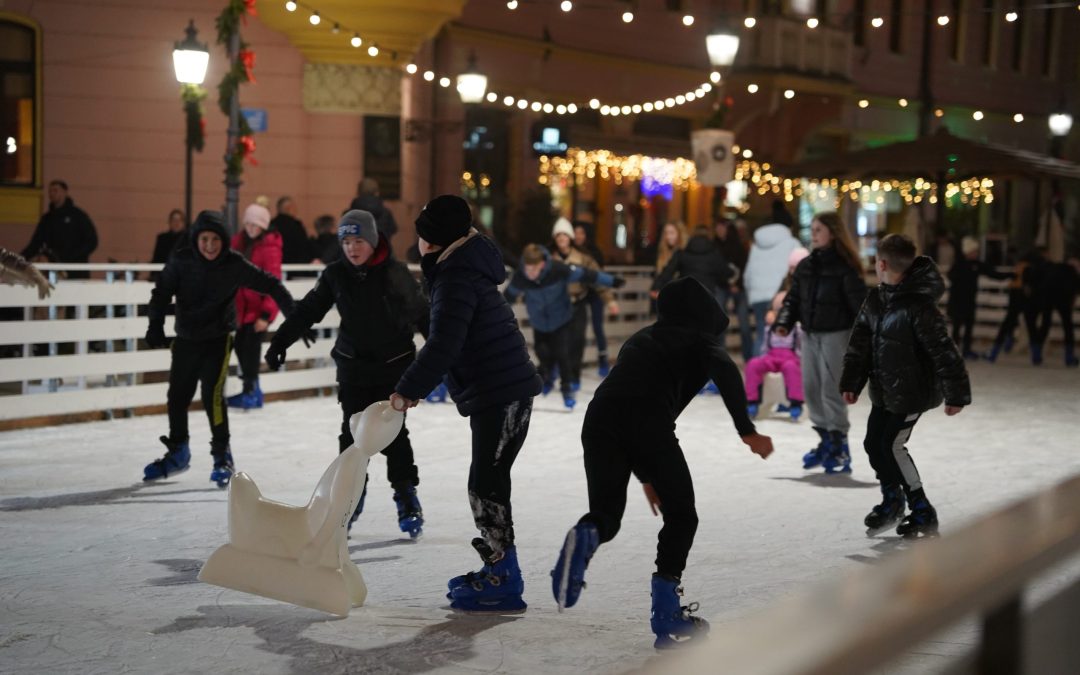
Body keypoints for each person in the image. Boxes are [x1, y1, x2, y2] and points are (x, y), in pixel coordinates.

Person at [549, 276, 773, 649]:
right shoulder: (701, 342)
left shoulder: (640, 338)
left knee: (606, 515)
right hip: (649, 423)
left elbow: (625, 400)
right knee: (682, 515)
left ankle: (586, 534)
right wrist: (746, 430)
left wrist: (646, 475)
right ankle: (667, 612)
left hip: (598, 420)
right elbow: (728, 373)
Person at [390, 194, 543, 613]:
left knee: (486, 484)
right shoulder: (460, 267)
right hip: (502, 391)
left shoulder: (456, 277)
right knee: (488, 482)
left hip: (503, 393)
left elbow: (444, 343)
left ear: (431, 240)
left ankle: (503, 577)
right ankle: (501, 569)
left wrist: (408, 389)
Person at [266, 210, 431, 536]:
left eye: (358, 241)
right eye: (346, 241)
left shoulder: (394, 274)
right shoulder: (335, 275)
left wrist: (441, 364)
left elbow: (422, 317)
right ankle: (349, 499)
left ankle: (406, 496)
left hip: (393, 369)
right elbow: (308, 309)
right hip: (354, 367)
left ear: (372, 241)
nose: (352, 248)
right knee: (352, 437)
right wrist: (280, 340)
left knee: (394, 437)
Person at [142, 210, 299, 488]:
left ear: (224, 241)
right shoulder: (182, 260)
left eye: (216, 239)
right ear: (196, 239)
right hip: (187, 339)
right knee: (177, 396)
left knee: (213, 396)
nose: (210, 245)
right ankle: (178, 450)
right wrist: (155, 325)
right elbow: (162, 292)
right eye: (205, 239)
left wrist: (294, 317)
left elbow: (271, 284)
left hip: (218, 339)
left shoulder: (233, 264)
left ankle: (221, 456)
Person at [841, 234, 971, 538]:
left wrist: (957, 393)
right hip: (885, 390)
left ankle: (922, 508)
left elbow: (943, 350)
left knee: (892, 446)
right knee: (874, 444)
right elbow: (860, 343)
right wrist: (852, 381)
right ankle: (892, 500)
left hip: (912, 393)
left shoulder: (920, 306)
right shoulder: (876, 298)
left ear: (882, 264)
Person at [774, 212, 866, 474]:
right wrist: (784, 321)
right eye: (812, 229)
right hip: (810, 334)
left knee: (830, 389)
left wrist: (864, 339)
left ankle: (840, 446)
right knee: (811, 388)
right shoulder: (806, 265)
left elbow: (860, 305)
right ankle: (826, 441)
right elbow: (793, 299)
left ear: (833, 233)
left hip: (836, 335)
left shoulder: (845, 267)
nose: (813, 234)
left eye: (819, 230)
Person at [505, 243, 623, 410]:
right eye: (527, 269)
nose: (529, 274)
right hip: (539, 322)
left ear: (543, 264)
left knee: (562, 354)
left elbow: (586, 274)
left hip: (561, 320)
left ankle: (567, 390)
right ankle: (547, 378)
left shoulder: (558, 270)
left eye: (533, 270)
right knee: (542, 353)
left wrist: (611, 281)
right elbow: (507, 297)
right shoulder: (521, 276)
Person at [226, 203, 282, 410]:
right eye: (248, 224)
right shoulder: (238, 243)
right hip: (240, 308)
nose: (251, 228)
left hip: (257, 311)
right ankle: (253, 390)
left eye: (255, 225)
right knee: (241, 347)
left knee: (250, 350)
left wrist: (266, 315)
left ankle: (251, 391)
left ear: (263, 227)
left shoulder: (269, 248)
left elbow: (274, 281)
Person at [551, 218, 619, 388]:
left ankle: (574, 376)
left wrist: (610, 301)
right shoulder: (549, 259)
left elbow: (597, 279)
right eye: (558, 236)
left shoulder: (583, 258)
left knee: (577, 340)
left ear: (570, 238)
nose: (561, 239)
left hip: (578, 303)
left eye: (565, 236)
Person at [744, 201, 801, 356]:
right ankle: (780, 373)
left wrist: (751, 294)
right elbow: (800, 269)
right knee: (784, 337)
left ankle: (758, 376)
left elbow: (748, 273)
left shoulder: (757, 245)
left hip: (758, 297)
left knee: (762, 334)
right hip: (780, 295)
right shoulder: (793, 243)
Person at [946, 236, 1010, 360]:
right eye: (974, 251)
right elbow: (950, 276)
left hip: (970, 300)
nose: (976, 253)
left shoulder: (977, 264)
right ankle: (954, 350)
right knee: (957, 326)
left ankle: (967, 350)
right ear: (968, 252)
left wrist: (1009, 275)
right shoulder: (959, 264)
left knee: (969, 326)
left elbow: (993, 274)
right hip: (958, 300)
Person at [744, 291, 803, 421]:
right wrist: (763, 358)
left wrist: (800, 360)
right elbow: (765, 346)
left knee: (791, 367)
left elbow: (800, 347)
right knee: (753, 364)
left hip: (789, 357)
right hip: (771, 356)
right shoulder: (769, 328)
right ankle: (752, 401)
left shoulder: (796, 328)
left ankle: (795, 403)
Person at [22, 180, 98, 279]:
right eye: (50, 191)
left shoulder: (78, 216)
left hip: (76, 272)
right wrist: (18, 260)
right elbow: (35, 244)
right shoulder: (47, 219)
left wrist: (72, 257)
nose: (52, 194)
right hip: (54, 272)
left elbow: (92, 241)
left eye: (55, 190)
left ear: (65, 192)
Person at [651, 224, 735, 299]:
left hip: (686, 295)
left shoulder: (682, 254)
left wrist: (656, 287)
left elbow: (667, 271)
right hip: (707, 296)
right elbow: (726, 272)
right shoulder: (714, 255)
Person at [574, 222, 614, 375]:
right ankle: (571, 361)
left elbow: (600, 276)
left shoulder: (595, 252)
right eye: (576, 233)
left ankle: (603, 359)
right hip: (579, 294)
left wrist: (608, 299)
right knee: (576, 328)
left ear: (587, 235)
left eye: (581, 233)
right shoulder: (570, 252)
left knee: (597, 326)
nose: (578, 236)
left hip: (595, 293)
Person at [714, 218, 753, 361]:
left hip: (739, 288)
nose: (719, 230)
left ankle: (748, 358)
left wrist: (738, 284)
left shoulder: (739, 246)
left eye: (722, 227)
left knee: (744, 324)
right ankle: (720, 357)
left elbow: (745, 267)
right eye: (717, 227)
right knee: (719, 321)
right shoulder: (714, 246)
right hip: (722, 287)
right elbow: (716, 268)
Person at [1031, 255, 1079, 367]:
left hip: (1048, 295)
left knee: (1045, 324)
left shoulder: (1051, 268)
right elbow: (1076, 287)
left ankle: (1036, 354)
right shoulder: (1071, 270)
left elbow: (1038, 280)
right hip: (1063, 297)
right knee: (1068, 325)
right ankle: (1069, 356)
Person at [349, 177, 398, 247]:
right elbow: (393, 229)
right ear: (376, 192)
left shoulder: (350, 213)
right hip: (381, 250)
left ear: (358, 192)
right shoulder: (386, 212)